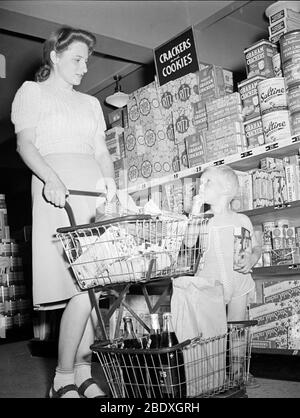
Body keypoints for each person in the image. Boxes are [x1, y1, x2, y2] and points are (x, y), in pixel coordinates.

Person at [11, 26, 117, 398]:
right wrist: (51, 180)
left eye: (86, 61)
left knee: (94, 288)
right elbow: (26, 145)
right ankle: (62, 378)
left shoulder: (90, 104)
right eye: (77, 59)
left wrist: (112, 189)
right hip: (57, 192)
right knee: (80, 286)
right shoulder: (32, 93)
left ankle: (83, 375)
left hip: (90, 195)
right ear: (54, 56)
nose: (84, 68)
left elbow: (102, 153)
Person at [191, 165, 262, 321]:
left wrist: (252, 259)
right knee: (212, 336)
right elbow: (189, 243)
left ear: (226, 188)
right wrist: (194, 212)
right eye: (200, 183)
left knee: (238, 333)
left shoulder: (242, 220)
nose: (201, 187)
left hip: (239, 282)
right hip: (209, 285)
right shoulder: (202, 219)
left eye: (207, 182)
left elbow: (256, 248)